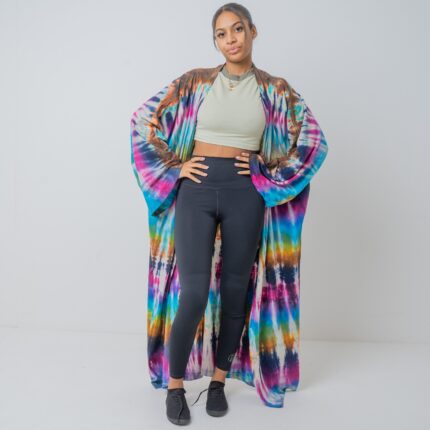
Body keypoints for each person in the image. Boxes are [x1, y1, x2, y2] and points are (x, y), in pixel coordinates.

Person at [130, 2, 328, 425]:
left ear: (253, 31)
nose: (231, 39)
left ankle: (219, 381)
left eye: (238, 29)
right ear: (216, 42)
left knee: (237, 291)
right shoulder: (194, 82)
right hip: (197, 190)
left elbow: (313, 142)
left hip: (245, 192)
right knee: (194, 293)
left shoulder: (276, 90)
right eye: (221, 34)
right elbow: (143, 120)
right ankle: (176, 387)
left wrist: (268, 173)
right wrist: (174, 168)